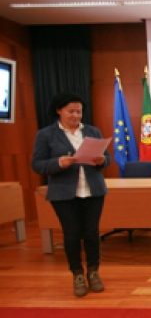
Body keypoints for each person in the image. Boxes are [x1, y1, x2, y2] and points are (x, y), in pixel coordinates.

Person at [31, 92, 111, 297]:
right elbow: (37, 164)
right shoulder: (46, 134)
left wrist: (102, 160)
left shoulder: (92, 131)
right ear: (59, 110)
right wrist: (59, 163)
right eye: (71, 111)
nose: (76, 116)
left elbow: (107, 158)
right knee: (72, 234)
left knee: (92, 233)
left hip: (92, 190)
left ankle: (93, 272)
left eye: (79, 111)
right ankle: (77, 274)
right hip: (64, 193)